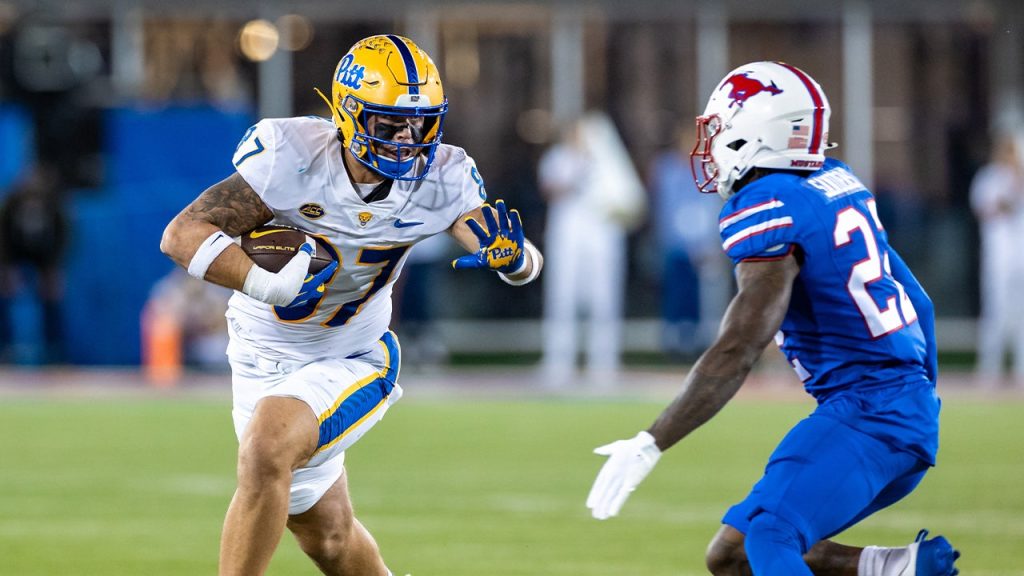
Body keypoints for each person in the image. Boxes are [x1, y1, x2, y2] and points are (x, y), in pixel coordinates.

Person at [160, 34, 543, 576]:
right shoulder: (292, 156)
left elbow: (510, 250)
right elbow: (181, 235)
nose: (407, 139)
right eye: (391, 123)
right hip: (256, 355)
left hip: (353, 357)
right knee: (329, 537)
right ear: (348, 113)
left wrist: (516, 260)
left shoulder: (442, 177)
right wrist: (266, 284)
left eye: (420, 124)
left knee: (268, 448)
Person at [586, 61, 960, 576]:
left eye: (721, 128)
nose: (712, 144)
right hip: (900, 408)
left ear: (756, 133)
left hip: (869, 413)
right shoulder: (836, 180)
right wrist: (921, 396)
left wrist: (653, 441)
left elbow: (741, 344)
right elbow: (919, 301)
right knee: (732, 555)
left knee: (770, 534)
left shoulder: (767, 201)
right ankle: (902, 567)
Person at [538, 111, 645, 386]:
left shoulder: (609, 162)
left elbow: (632, 203)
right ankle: (558, 362)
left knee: (604, 302)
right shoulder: (558, 158)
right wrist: (578, 172)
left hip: (602, 239)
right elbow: (550, 189)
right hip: (567, 239)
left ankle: (604, 364)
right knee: (562, 299)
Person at [649, 123, 730, 357]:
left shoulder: (707, 169)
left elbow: (711, 206)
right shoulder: (666, 169)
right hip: (675, 244)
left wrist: (709, 243)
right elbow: (664, 208)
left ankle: (699, 339)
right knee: (676, 291)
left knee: (702, 294)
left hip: (703, 245)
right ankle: (674, 340)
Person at [969, 131, 1024, 386]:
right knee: (995, 310)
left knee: (1021, 311)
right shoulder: (989, 177)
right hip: (997, 254)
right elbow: (986, 208)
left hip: (1020, 254)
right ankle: (989, 368)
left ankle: (1020, 369)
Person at [0, 161, 69, 364]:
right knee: (4, 295)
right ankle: (5, 347)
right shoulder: (10, 203)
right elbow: (2, 236)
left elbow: (64, 237)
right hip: (15, 253)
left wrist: (53, 268)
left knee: (51, 298)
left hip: (44, 256)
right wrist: (6, 267)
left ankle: (55, 350)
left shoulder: (54, 204)